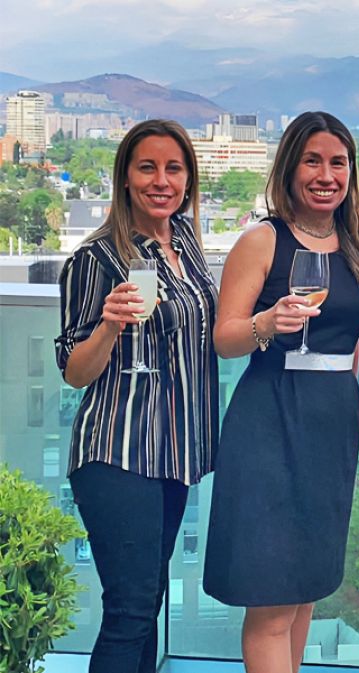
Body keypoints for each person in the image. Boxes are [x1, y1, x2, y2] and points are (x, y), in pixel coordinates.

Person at [203, 111, 359, 673]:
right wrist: (267, 322)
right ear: (289, 167)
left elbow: (350, 342)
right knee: (274, 598)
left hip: (332, 425)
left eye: (337, 162)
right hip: (270, 418)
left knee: (306, 589)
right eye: (313, 160)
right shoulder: (262, 241)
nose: (326, 174)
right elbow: (225, 339)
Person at [55, 119, 218, 673]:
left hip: (173, 452)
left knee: (147, 604)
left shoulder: (187, 243)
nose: (161, 180)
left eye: (174, 168)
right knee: (128, 610)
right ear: (125, 176)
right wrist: (108, 327)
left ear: (189, 179)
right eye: (147, 167)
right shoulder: (95, 259)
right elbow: (74, 372)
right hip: (118, 451)